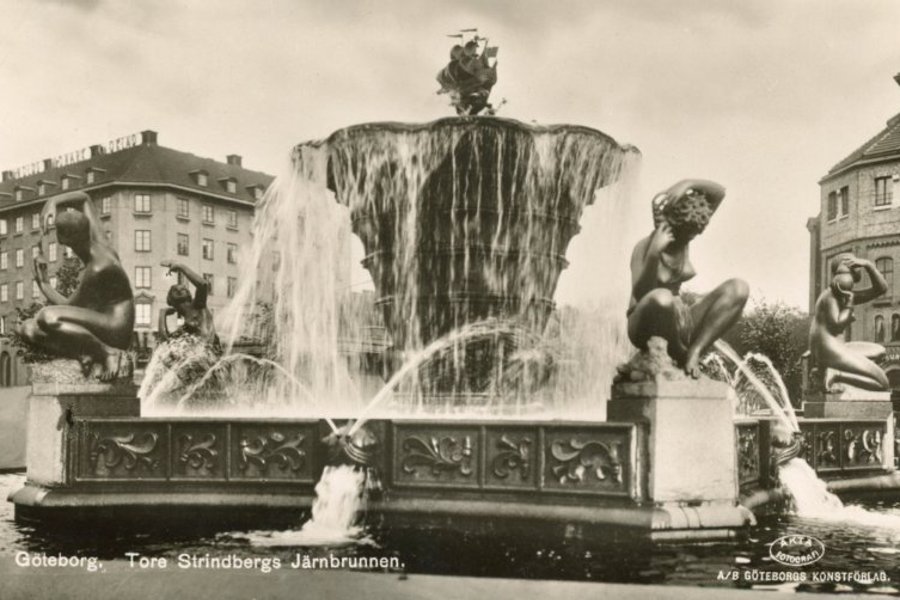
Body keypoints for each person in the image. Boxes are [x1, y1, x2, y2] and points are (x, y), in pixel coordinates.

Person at [627, 179, 749, 377]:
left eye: (693, 235)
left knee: (738, 288)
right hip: (644, 324)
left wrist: (688, 183)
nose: (689, 239)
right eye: (686, 234)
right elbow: (641, 294)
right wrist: (653, 255)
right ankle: (680, 353)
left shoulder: (684, 237)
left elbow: (719, 193)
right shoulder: (644, 247)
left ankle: (695, 351)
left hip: (678, 320)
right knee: (662, 298)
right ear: (673, 223)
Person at [17, 191, 134, 381]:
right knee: (27, 329)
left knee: (47, 316)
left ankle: (107, 352)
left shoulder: (98, 268)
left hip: (116, 329)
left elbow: (68, 308)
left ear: (63, 239)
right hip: (100, 322)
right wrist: (53, 200)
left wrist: (44, 284)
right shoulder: (99, 242)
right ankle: (84, 353)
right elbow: (85, 198)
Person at [809, 253, 889, 392]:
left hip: (836, 347)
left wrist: (868, 266)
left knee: (880, 352)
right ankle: (837, 374)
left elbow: (881, 289)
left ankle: (839, 373)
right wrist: (849, 305)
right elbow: (836, 325)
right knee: (882, 383)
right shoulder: (830, 297)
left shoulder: (843, 296)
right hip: (828, 350)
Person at [158, 260, 219, 349]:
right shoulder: (185, 329)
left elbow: (203, 284)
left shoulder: (198, 305)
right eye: (175, 290)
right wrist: (162, 314)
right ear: (171, 300)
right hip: (202, 354)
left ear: (189, 294)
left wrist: (180, 266)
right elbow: (165, 342)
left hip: (211, 352)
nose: (180, 289)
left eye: (183, 288)